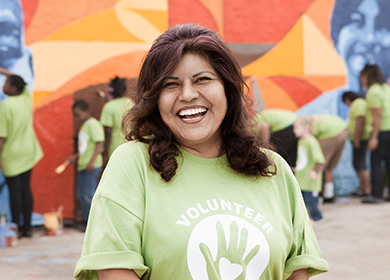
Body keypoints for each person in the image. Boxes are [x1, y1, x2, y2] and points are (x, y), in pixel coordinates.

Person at [74, 24, 328, 280]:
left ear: (227, 89)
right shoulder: (132, 164)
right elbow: (116, 269)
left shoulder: (274, 169)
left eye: (202, 79)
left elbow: (297, 271)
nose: (187, 94)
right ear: (155, 99)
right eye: (170, 85)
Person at [0, 67, 43, 238]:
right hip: (28, 150)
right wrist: (5, 71)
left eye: (7, 84)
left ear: (14, 89)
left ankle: (16, 227)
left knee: (14, 191)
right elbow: (22, 82)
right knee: (26, 188)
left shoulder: (5, 105)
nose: (4, 85)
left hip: (12, 153)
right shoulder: (26, 99)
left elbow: (1, 136)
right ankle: (28, 228)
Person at [66, 100, 104, 231]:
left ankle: (94, 222)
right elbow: (86, 146)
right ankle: (86, 220)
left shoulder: (93, 124)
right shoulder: (85, 126)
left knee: (88, 194)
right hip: (83, 165)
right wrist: (76, 156)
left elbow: (99, 143)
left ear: (87, 111)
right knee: (81, 195)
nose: (77, 118)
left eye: (78, 114)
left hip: (90, 165)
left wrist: (91, 161)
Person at [360, 64, 390, 203]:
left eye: (363, 77)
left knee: (376, 163)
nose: (362, 80)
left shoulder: (373, 92)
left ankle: (377, 195)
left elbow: (377, 116)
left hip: (382, 132)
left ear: (367, 76)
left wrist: (373, 137)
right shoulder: (386, 89)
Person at [310, 114, 348, 202]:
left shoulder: (306, 126)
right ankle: (328, 194)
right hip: (344, 129)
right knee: (328, 166)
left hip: (330, 133)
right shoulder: (314, 119)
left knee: (318, 165)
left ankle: (314, 194)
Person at [293, 117, 325, 222]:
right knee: (302, 202)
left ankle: (318, 218)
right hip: (301, 180)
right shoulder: (301, 141)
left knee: (311, 201)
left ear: (305, 127)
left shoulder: (312, 142)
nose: (294, 130)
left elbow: (320, 160)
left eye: (296, 127)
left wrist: (315, 171)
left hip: (310, 181)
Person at [342, 91, 372, 197]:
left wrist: (357, 138)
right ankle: (364, 187)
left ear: (347, 99)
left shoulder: (357, 103)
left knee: (359, 164)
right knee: (359, 163)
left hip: (361, 138)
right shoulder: (360, 103)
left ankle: (367, 189)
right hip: (360, 138)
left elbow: (360, 119)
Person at [100, 77, 133, 168]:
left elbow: (108, 132)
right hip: (130, 143)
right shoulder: (130, 102)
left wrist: (105, 154)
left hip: (115, 148)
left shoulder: (108, 107)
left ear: (111, 91)